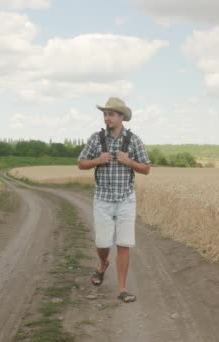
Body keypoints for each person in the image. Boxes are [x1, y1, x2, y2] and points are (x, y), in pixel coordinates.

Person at [77, 96, 151, 303]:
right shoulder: (96, 139)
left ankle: (122, 289)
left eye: (110, 114)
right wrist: (96, 161)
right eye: (104, 114)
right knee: (102, 243)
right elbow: (80, 163)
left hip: (126, 199)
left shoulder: (134, 140)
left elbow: (146, 168)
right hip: (103, 200)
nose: (106, 118)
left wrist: (129, 162)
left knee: (124, 244)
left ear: (121, 117)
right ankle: (102, 264)